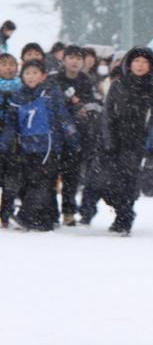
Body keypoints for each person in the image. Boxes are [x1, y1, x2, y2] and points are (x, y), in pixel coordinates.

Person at [80, 47, 153, 235]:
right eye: (136, 61)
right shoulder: (118, 85)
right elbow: (107, 114)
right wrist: (108, 139)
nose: (140, 65)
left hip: (135, 143)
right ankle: (87, 211)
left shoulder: (152, 91)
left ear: (151, 66)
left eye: (144, 62)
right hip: (112, 140)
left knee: (127, 183)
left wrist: (151, 144)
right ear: (129, 64)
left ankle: (124, 218)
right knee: (99, 179)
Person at [0, 59, 79, 231]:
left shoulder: (50, 93)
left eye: (35, 73)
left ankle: (25, 216)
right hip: (27, 147)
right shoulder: (18, 97)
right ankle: (48, 218)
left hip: (48, 146)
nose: (31, 76)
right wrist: (3, 144)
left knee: (41, 181)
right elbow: (11, 124)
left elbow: (63, 116)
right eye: (27, 73)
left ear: (43, 76)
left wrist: (73, 137)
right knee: (36, 182)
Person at [54, 45, 102, 225]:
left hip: (77, 136)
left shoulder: (86, 80)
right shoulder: (55, 79)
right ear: (64, 59)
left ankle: (68, 212)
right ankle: (50, 210)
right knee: (50, 175)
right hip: (56, 134)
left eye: (78, 58)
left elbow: (91, 106)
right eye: (71, 57)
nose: (75, 61)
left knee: (71, 176)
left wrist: (84, 111)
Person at [0, 53, 22, 226]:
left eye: (12, 64)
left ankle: (6, 213)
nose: (9, 67)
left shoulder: (22, 87)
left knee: (11, 179)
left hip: (16, 138)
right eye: (4, 64)